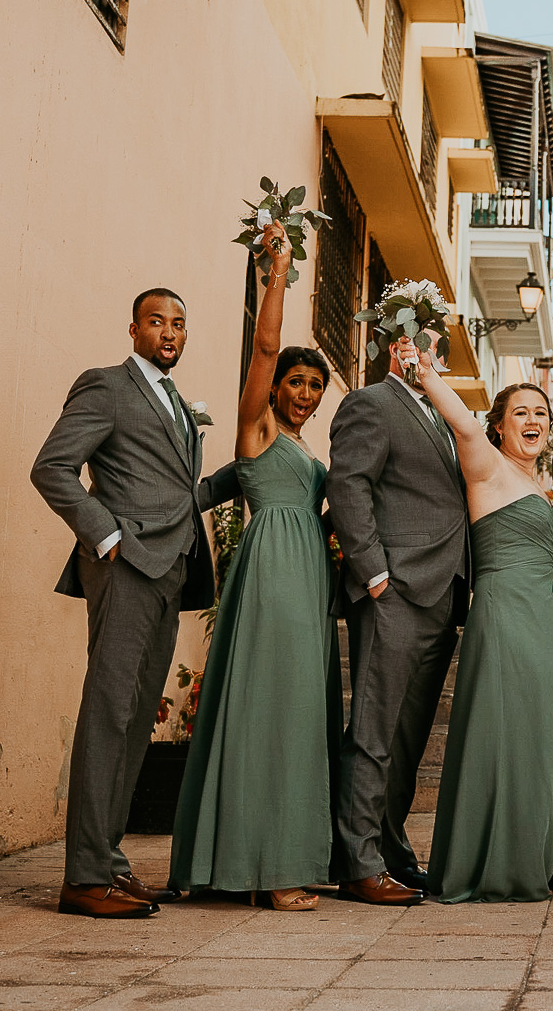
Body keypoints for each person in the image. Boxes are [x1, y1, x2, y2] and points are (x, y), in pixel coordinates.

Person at [30, 286, 240, 918]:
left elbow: (174, 494)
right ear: (133, 329)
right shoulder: (106, 386)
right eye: (157, 322)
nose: (169, 333)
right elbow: (52, 468)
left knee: (138, 716)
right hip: (125, 570)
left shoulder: (176, 401)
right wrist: (106, 535)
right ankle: (83, 877)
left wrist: (241, 473)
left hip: (171, 572)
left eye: (179, 323)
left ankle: (110, 864)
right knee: (110, 712)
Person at [167, 224, 338, 910]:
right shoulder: (258, 433)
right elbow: (264, 346)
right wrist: (279, 270)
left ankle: (269, 856)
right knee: (270, 713)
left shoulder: (305, 446)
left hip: (309, 579)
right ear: (275, 391)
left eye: (314, 385)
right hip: (271, 577)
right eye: (295, 382)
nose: (302, 392)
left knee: (296, 716)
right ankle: (271, 871)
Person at [406, 359, 553, 903]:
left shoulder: (540, 480)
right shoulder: (486, 463)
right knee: (503, 731)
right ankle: (494, 863)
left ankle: (531, 852)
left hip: (547, 615)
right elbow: (461, 423)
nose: (533, 420)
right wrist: (427, 371)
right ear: (499, 425)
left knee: (551, 735)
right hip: (506, 611)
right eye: (521, 412)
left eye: (542, 413)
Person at [325, 321, 471, 906]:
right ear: (397, 347)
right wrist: (375, 573)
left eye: (438, 345)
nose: (429, 352)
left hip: (443, 593)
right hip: (394, 592)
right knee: (375, 732)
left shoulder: (441, 413)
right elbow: (349, 485)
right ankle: (358, 862)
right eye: (420, 341)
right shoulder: (371, 403)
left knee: (409, 737)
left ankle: (388, 847)